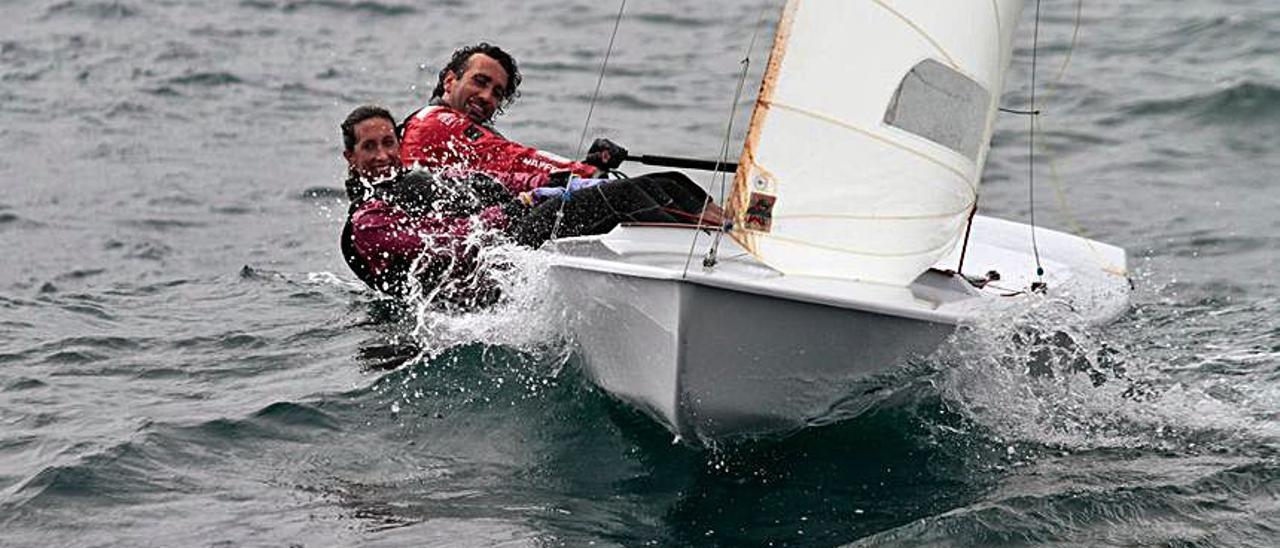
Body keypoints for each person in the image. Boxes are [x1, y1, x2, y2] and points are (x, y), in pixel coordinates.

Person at [398, 42, 718, 232]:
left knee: (670, 183)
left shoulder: (456, 126)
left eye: (497, 92)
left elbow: (513, 171)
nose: (486, 96)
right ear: (449, 80)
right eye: (479, 82)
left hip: (501, 224)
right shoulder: (436, 122)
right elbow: (516, 157)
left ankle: (723, 235)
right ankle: (714, 245)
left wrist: (588, 167)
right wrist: (586, 172)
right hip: (493, 237)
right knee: (634, 193)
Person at [339, 105, 517, 305]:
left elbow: (483, 180)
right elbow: (442, 242)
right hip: (453, 317)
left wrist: (537, 186)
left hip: (499, 271)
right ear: (351, 157)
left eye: (388, 143)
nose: (382, 155)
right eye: (369, 147)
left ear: (399, 143)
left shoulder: (420, 178)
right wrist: (509, 213)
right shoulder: (367, 222)